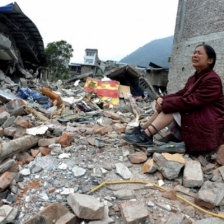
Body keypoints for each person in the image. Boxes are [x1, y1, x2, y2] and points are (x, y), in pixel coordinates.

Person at [123, 44, 224, 153]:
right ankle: (143, 130)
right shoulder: (194, 78)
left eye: (199, 53)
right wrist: (162, 99)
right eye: (194, 53)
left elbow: (192, 101)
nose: (194, 55)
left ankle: (146, 136)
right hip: (200, 115)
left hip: (210, 122)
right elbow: (181, 94)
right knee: (168, 104)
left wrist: (165, 103)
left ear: (210, 60)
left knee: (173, 107)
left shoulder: (212, 80)